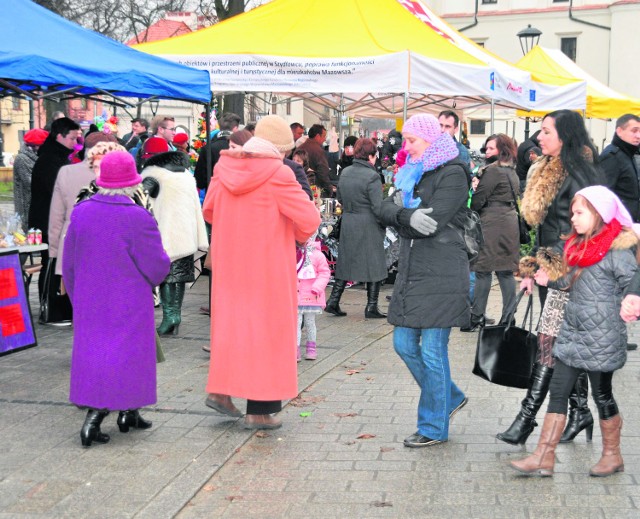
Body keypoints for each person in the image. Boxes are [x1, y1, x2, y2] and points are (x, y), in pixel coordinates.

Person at [202, 115, 320, 430]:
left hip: (229, 266)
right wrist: (292, 234)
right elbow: (308, 219)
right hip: (267, 268)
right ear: (280, 148)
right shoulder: (278, 174)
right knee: (267, 335)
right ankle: (260, 410)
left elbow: (209, 210)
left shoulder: (223, 167)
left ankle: (221, 391)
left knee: (232, 328)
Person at [510, 186, 636, 477]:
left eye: (580, 213)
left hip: (602, 337)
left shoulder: (617, 249)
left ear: (599, 213)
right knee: (558, 391)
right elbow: (567, 282)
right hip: (572, 331)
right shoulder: (576, 245)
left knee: (602, 394)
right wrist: (546, 279)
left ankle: (612, 455)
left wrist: (632, 301)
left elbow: (634, 283)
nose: (573, 219)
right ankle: (544, 455)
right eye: (572, 213)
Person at [496, 110, 603, 446]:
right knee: (564, 346)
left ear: (565, 135)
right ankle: (580, 410)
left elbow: (578, 230)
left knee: (549, 345)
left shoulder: (580, 173)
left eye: (545, 132)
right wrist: (531, 270)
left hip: (572, 272)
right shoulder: (546, 168)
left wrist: (550, 266)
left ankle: (526, 420)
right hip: (550, 271)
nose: (538, 138)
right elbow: (543, 229)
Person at [63, 151, 170, 447]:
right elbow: (156, 266)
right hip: (129, 301)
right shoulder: (137, 217)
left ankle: (129, 413)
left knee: (95, 354)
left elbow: (69, 262)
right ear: (133, 183)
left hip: (91, 299)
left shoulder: (82, 211)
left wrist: (77, 296)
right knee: (128, 356)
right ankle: (94, 419)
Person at [378, 114, 470, 447]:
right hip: (414, 271)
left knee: (432, 351)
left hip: (443, 272)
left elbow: (429, 221)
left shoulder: (454, 172)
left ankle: (433, 426)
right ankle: (449, 396)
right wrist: (406, 215)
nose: (406, 147)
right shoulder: (410, 171)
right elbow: (383, 209)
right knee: (403, 344)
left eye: (412, 140)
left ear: (430, 140)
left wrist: (403, 216)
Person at [141, 145, 208, 336]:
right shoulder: (186, 175)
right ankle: (174, 316)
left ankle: (171, 316)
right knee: (178, 275)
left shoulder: (153, 176)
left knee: (166, 276)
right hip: (187, 233)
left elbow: (142, 201)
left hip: (165, 234)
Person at [324, 138, 388, 319]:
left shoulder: (345, 172)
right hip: (368, 222)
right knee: (375, 262)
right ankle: (371, 306)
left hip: (349, 221)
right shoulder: (373, 176)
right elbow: (377, 206)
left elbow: (341, 199)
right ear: (370, 155)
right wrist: (385, 222)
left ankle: (333, 301)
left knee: (346, 261)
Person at [461, 134, 520, 331]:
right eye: (486, 149)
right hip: (509, 222)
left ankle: (476, 317)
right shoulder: (510, 169)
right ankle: (509, 317)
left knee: (483, 271)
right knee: (505, 271)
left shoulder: (493, 171)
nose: (487, 152)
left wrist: (475, 188)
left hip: (492, 223)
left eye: (491, 149)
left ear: (501, 149)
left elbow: (478, 201)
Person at [49, 135, 122, 280]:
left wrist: (54, 252)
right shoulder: (120, 174)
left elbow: (56, 217)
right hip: (110, 247)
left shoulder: (67, 172)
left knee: (75, 297)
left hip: (73, 244)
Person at [29, 117, 81, 299]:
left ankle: (52, 303)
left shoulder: (57, 157)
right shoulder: (50, 160)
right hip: (47, 220)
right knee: (51, 262)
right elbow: (58, 193)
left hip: (50, 219)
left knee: (55, 262)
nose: (75, 144)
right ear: (59, 136)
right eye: (72, 138)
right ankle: (49, 304)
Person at [296, 233, 331, 361]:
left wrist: (317, 287)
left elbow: (324, 273)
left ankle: (311, 348)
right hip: (297, 295)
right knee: (297, 323)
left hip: (312, 295)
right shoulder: (293, 253)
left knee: (310, 323)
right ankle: (296, 348)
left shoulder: (317, 255)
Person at [600, 114, 640, 222]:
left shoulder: (628, 153)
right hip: (617, 227)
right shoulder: (612, 156)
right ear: (619, 131)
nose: (638, 136)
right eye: (634, 131)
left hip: (628, 225)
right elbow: (602, 195)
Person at [194, 112, 241, 192]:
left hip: (213, 195)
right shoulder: (241, 148)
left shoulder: (207, 148)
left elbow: (200, 182)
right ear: (235, 129)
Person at [13, 128, 48, 227]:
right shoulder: (22, 159)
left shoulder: (41, 157)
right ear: (34, 145)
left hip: (42, 207)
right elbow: (31, 183)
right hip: (28, 208)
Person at [298, 124, 332, 197]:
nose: (325, 139)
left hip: (299, 187)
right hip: (314, 189)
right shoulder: (318, 151)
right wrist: (329, 189)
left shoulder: (299, 148)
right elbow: (323, 172)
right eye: (324, 136)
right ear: (317, 136)